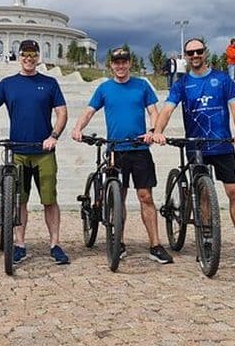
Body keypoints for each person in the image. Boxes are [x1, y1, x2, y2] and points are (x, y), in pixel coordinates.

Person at [152, 38, 235, 267]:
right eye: (190, 52)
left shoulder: (222, 79)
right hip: (196, 146)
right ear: (186, 55)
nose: (195, 56)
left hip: (222, 144)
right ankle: (206, 239)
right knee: (202, 194)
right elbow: (167, 109)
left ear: (205, 53)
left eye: (199, 51)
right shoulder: (182, 84)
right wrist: (158, 131)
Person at [0, 39, 69, 265]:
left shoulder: (50, 83)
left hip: (43, 151)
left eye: (33, 55)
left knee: (49, 200)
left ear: (38, 57)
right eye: (25, 55)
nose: (29, 59)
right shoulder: (7, 84)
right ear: (18, 56)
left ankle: (55, 245)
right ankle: (20, 244)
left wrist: (53, 136)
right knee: (19, 201)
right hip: (18, 151)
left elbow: (62, 113)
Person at [70, 47, 173, 264]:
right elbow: (89, 111)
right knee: (120, 197)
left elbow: (154, 112)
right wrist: (78, 128)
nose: (120, 66)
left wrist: (153, 132)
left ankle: (155, 245)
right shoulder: (104, 88)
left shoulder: (142, 85)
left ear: (129, 64)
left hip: (140, 149)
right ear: (111, 65)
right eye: (116, 62)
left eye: (124, 62)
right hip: (116, 150)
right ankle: (120, 241)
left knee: (146, 197)